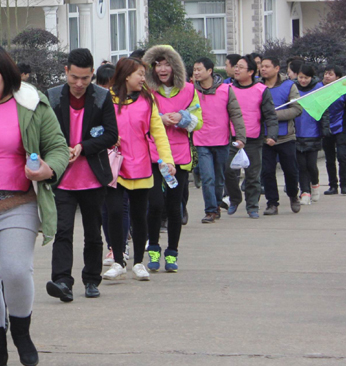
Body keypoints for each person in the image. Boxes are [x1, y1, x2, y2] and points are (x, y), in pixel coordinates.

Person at [0, 43, 68, 366]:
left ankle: (21, 333)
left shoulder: (31, 103)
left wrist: (48, 169)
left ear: (6, 74)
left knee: (15, 271)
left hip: (18, 203)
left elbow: (58, 147)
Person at [46, 48, 118, 301]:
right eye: (74, 77)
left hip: (93, 178)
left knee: (93, 232)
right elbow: (43, 133)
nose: (79, 83)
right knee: (62, 231)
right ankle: (62, 281)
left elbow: (111, 135)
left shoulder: (102, 97)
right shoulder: (52, 97)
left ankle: (91, 279)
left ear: (92, 75)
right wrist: (60, 149)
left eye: (85, 78)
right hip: (62, 179)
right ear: (66, 71)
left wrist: (83, 147)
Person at [101, 57, 175, 282]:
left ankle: (139, 263)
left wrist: (168, 160)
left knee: (139, 215)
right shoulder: (106, 98)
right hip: (115, 165)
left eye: (144, 74)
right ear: (126, 76)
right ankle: (118, 261)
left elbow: (158, 132)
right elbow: (95, 128)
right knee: (114, 212)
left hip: (141, 163)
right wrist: (106, 138)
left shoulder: (148, 99)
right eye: (140, 74)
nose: (144, 78)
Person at [143, 45, 203, 273]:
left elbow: (198, 121)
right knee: (155, 204)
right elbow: (140, 118)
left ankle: (172, 253)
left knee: (174, 207)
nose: (162, 69)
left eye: (167, 64)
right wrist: (159, 119)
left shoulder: (189, 90)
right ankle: (154, 249)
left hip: (179, 156)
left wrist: (181, 117)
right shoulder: (147, 90)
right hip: (154, 155)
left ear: (175, 66)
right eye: (157, 64)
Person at [192, 58, 246, 223]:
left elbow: (236, 114)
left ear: (210, 71)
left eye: (199, 69)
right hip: (201, 140)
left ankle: (216, 205)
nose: (196, 73)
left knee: (219, 178)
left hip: (222, 140)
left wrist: (240, 136)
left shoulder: (226, 90)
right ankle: (210, 210)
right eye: (194, 70)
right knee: (208, 177)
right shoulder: (191, 91)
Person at [226, 55, 277, 218]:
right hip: (232, 138)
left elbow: (270, 115)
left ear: (251, 72)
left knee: (253, 175)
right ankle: (235, 199)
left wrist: (272, 135)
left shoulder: (261, 90)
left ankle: (252, 206)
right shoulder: (227, 89)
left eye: (240, 67)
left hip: (254, 138)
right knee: (227, 170)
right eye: (236, 66)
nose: (236, 70)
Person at [93, 61, 128, 267]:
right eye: (103, 84)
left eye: (111, 84)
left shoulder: (125, 101)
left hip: (123, 159)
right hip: (103, 158)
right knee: (106, 208)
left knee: (121, 206)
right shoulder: (95, 101)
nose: (107, 89)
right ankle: (112, 246)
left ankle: (121, 246)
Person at [258, 56, 301, 213]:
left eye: (267, 66)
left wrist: (273, 115)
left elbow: (297, 109)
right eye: (261, 66)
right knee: (267, 171)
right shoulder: (257, 86)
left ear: (276, 68)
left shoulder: (289, 86)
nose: (263, 69)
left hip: (285, 137)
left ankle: (293, 195)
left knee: (290, 171)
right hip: (264, 137)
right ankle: (272, 203)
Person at [322, 65, 346, 195]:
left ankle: (344, 185)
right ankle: (333, 185)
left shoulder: (345, 90)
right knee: (329, 158)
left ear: (337, 77)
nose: (327, 76)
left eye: (330, 74)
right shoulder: (320, 90)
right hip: (326, 127)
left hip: (341, 126)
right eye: (326, 73)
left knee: (342, 156)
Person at [293, 63, 325, 203]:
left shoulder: (318, 89)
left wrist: (325, 129)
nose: (303, 80)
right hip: (296, 132)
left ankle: (315, 185)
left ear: (311, 77)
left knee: (311, 165)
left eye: (306, 77)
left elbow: (324, 110)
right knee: (301, 166)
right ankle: (305, 192)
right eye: (301, 77)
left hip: (313, 132)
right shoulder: (293, 88)